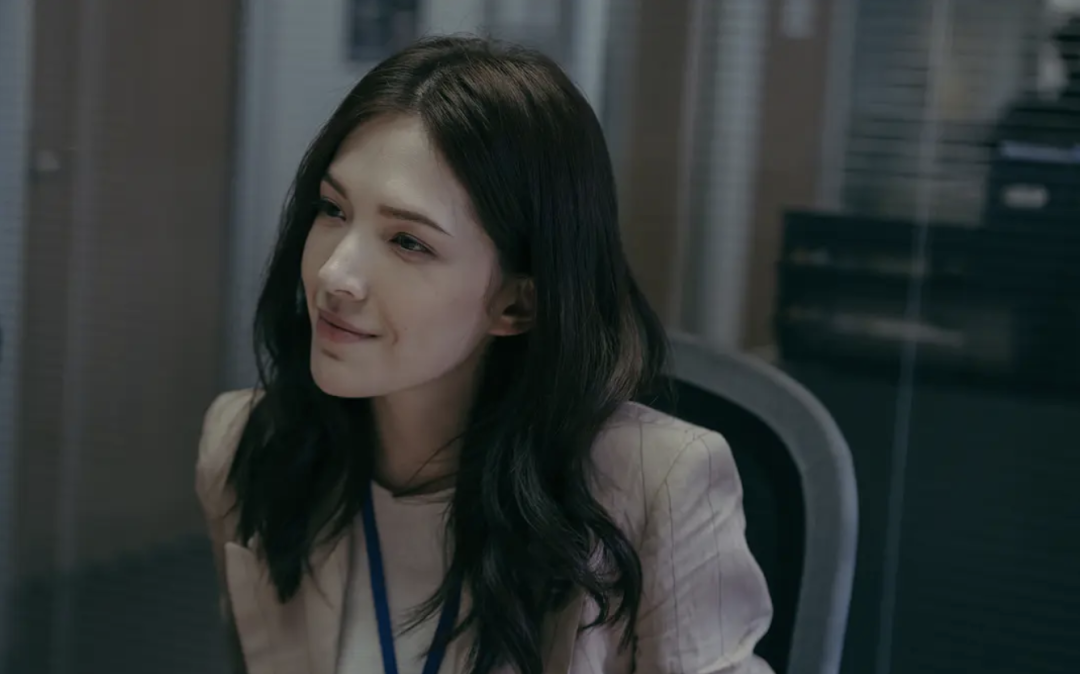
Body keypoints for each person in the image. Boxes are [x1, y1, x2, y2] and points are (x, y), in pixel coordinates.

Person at [196, 36, 774, 674]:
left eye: (408, 242)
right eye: (333, 209)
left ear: (517, 305)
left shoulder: (657, 486)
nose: (334, 273)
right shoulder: (251, 446)